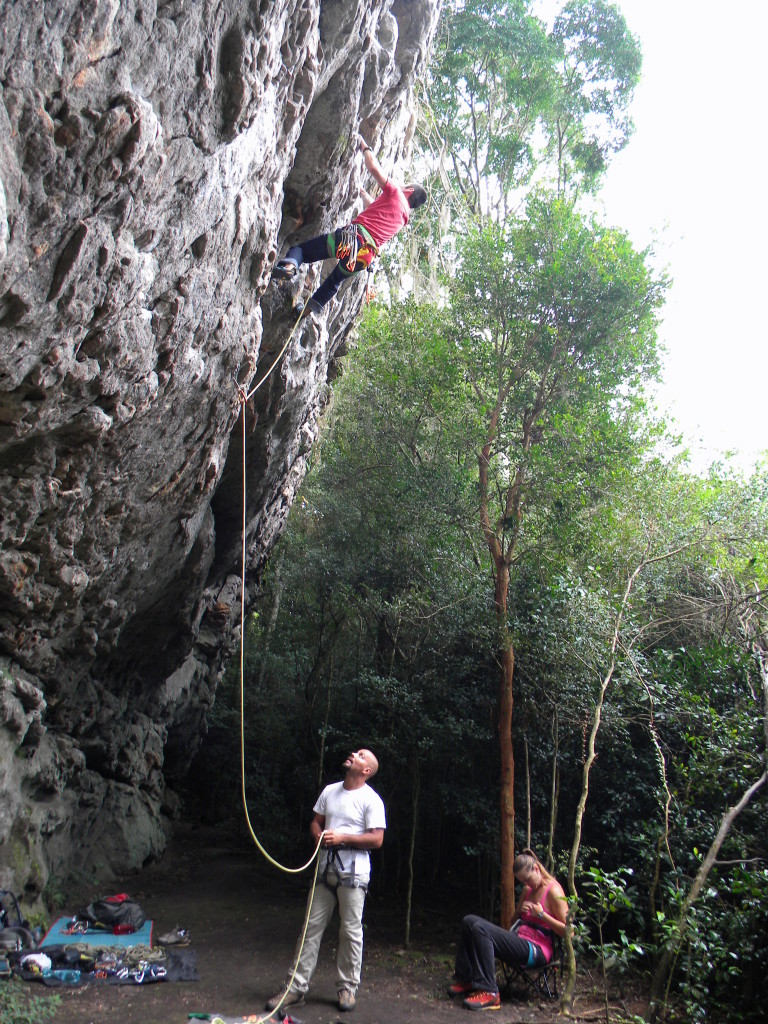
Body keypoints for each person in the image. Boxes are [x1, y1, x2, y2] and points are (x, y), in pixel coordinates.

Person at [265, 748, 386, 1014]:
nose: (354, 754)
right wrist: (319, 834)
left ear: (366, 771)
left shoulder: (371, 800)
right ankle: (294, 989)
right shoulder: (330, 791)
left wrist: (342, 837)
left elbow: (377, 839)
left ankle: (347, 988)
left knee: (351, 932)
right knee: (310, 929)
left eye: (361, 755)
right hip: (324, 871)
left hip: (354, 876)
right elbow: (315, 822)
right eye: (356, 751)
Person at [272, 135, 427, 314]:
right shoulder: (401, 219)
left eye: (404, 186)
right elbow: (375, 209)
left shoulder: (396, 193)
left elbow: (373, 167)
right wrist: (363, 194)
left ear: (408, 190)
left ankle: (289, 267)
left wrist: (364, 146)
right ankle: (305, 311)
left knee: (303, 251)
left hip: (351, 239)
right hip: (363, 257)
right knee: (335, 281)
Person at [447, 849, 567, 1011]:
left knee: (481, 929)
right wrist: (520, 912)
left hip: (537, 950)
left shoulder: (554, 891)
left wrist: (542, 915)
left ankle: (490, 992)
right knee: (469, 921)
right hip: (518, 940)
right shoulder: (527, 890)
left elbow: (569, 932)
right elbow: (513, 920)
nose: (527, 884)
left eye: (528, 879)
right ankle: (467, 979)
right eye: (522, 881)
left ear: (536, 869)